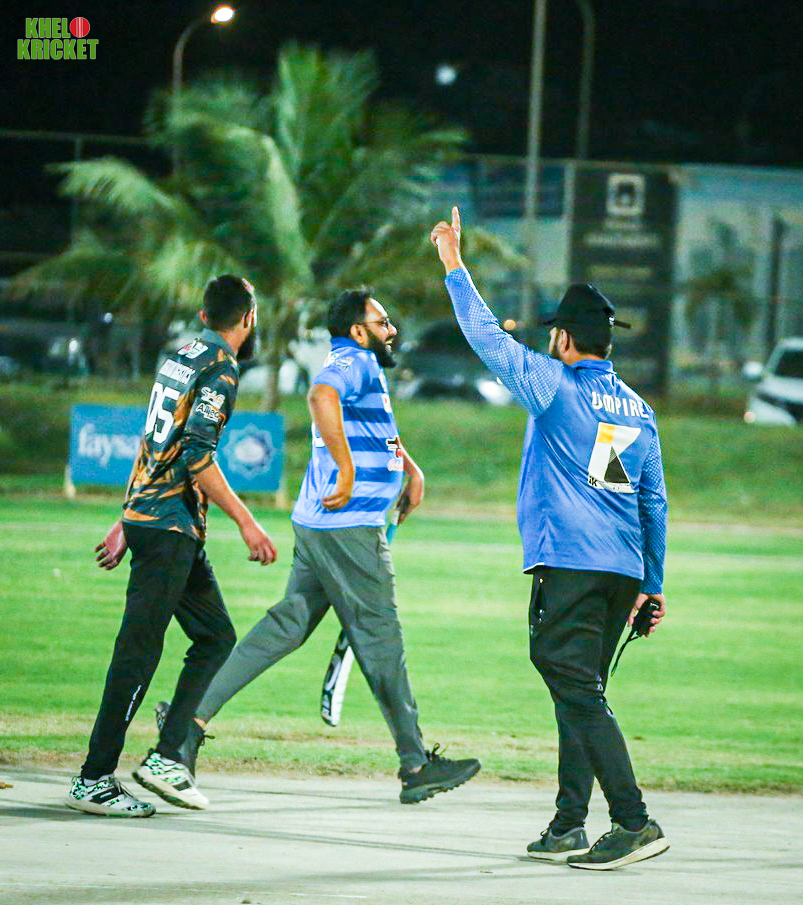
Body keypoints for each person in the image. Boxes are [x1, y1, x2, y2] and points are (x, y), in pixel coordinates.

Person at [168, 287, 481, 805]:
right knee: (382, 642)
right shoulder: (355, 363)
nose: (391, 331)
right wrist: (348, 468)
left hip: (319, 525)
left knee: (285, 627)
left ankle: (186, 725)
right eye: (383, 323)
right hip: (349, 530)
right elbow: (319, 398)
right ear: (358, 331)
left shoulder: (356, 363)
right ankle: (415, 764)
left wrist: (408, 468)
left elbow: (372, 428)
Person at [430, 207, 669, 870]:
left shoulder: (554, 384)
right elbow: (652, 500)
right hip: (621, 568)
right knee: (579, 689)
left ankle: (633, 820)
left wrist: (454, 265)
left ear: (564, 338)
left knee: (569, 680)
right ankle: (568, 824)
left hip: (570, 562)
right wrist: (651, 584)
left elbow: (487, 338)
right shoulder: (638, 408)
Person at [65, 275, 277, 818]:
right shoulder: (221, 369)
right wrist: (248, 523)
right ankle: (94, 778)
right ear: (248, 318)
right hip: (169, 527)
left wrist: (126, 516)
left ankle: (166, 756)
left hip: (155, 520)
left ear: (204, 316)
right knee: (137, 653)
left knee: (215, 637)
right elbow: (195, 455)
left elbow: (151, 442)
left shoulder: (179, 357)